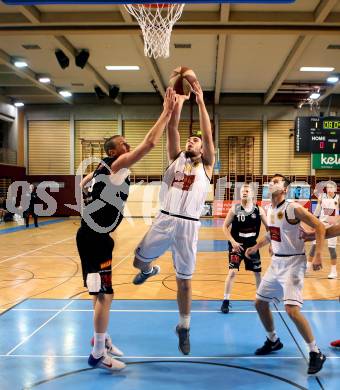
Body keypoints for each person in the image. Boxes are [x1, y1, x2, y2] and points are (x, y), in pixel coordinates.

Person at [76, 88, 176, 371]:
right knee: (106, 295)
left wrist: (84, 190)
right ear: (112, 152)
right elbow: (149, 144)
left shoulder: (100, 169)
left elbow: (84, 180)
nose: (128, 144)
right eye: (122, 143)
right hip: (95, 239)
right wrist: (166, 113)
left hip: (91, 236)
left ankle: (102, 339)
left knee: (98, 294)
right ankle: (98, 352)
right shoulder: (116, 165)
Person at [132, 80, 215, 355]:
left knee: (185, 281)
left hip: (188, 226)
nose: (193, 140)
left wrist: (201, 102)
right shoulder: (175, 157)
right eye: (191, 138)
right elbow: (172, 128)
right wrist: (176, 105)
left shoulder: (207, 166)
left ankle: (184, 327)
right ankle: (149, 270)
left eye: (197, 141)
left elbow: (208, 134)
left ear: (203, 150)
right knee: (138, 261)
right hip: (164, 219)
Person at [245, 174, 327, 375]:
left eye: (276, 181)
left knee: (291, 309)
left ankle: (315, 352)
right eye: (270, 181)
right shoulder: (270, 209)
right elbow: (272, 232)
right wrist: (257, 246)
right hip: (276, 263)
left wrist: (317, 255)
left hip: (294, 263)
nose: (271, 183)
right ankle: (273, 341)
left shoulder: (292, 208)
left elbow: (319, 226)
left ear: (285, 189)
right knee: (259, 303)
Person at [220, 183, 267, 314]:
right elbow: (224, 227)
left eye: (247, 191)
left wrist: (271, 244)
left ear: (252, 194)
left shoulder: (259, 210)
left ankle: (260, 299)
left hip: (252, 246)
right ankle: (225, 301)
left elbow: (270, 229)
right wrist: (233, 242)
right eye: (242, 191)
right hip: (237, 245)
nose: (244, 193)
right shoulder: (235, 209)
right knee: (232, 272)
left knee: (257, 273)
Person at [307, 181, 339, 279]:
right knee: (314, 246)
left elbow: (338, 212)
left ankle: (333, 271)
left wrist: (336, 218)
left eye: (331, 188)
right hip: (321, 224)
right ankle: (306, 268)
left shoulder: (338, 198)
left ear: (335, 189)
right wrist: (313, 222)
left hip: (332, 225)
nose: (329, 189)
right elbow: (317, 210)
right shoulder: (322, 197)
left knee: (331, 248)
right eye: (328, 188)